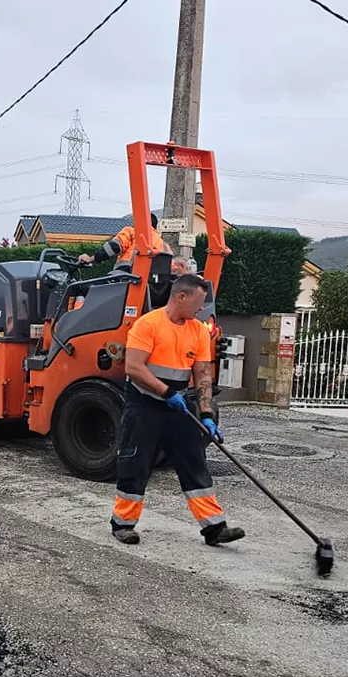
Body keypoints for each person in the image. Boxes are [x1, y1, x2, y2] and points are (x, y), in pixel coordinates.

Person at [110, 273, 244, 547]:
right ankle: (122, 525)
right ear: (180, 297)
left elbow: (203, 374)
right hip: (144, 404)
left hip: (179, 405)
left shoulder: (197, 330)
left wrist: (206, 414)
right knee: (135, 463)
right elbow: (134, 368)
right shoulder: (148, 325)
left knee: (194, 462)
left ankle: (214, 528)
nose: (201, 310)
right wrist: (166, 392)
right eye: (198, 303)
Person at [77, 213, 171, 271]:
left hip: (124, 278)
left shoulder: (132, 232)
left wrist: (90, 259)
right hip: (151, 290)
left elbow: (113, 247)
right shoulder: (165, 246)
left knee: (83, 290)